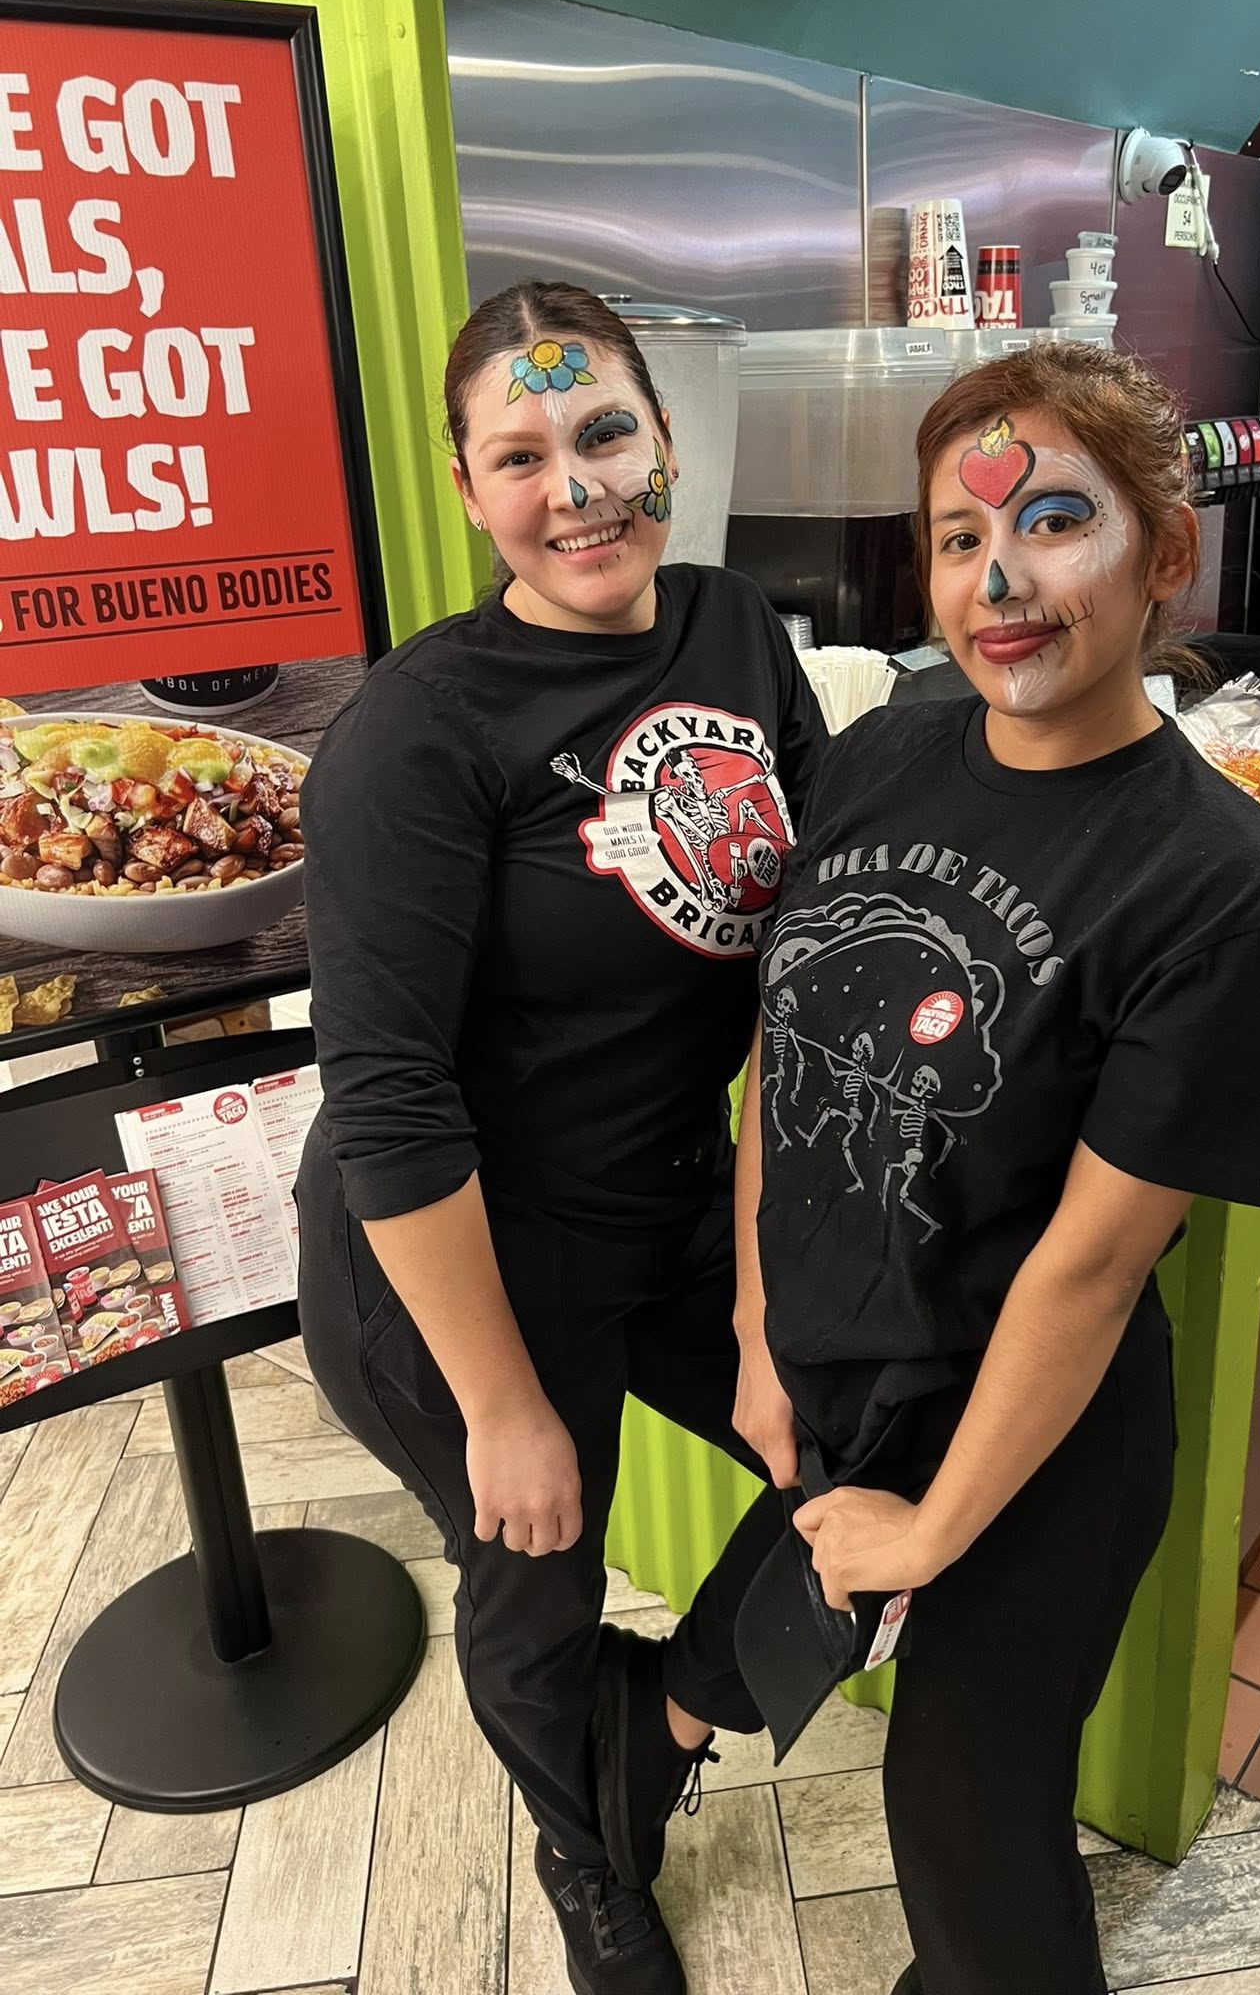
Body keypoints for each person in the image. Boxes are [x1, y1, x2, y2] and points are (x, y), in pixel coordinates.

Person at [730, 342, 1260, 1994]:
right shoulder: (889, 750)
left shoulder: (1217, 886)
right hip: (855, 1370)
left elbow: (1092, 1264)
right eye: (959, 537)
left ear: (1165, 557)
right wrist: (763, 1332)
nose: (1002, 580)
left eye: (1055, 522)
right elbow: (786, 1056)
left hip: (1044, 1435)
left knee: (964, 1827)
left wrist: (933, 1533)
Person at [295, 279, 825, 1995]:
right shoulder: (420, 731)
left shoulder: (737, 626)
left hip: (680, 1202)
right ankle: (586, 1850)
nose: (578, 486)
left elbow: (799, 951)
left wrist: (761, 1305)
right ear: (468, 492)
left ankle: (660, 1724)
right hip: (464, 1264)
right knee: (533, 1581)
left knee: (865, 1458)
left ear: (665, 435)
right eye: (522, 453)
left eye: (604, 432)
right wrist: (506, 1407)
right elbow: (387, 1098)